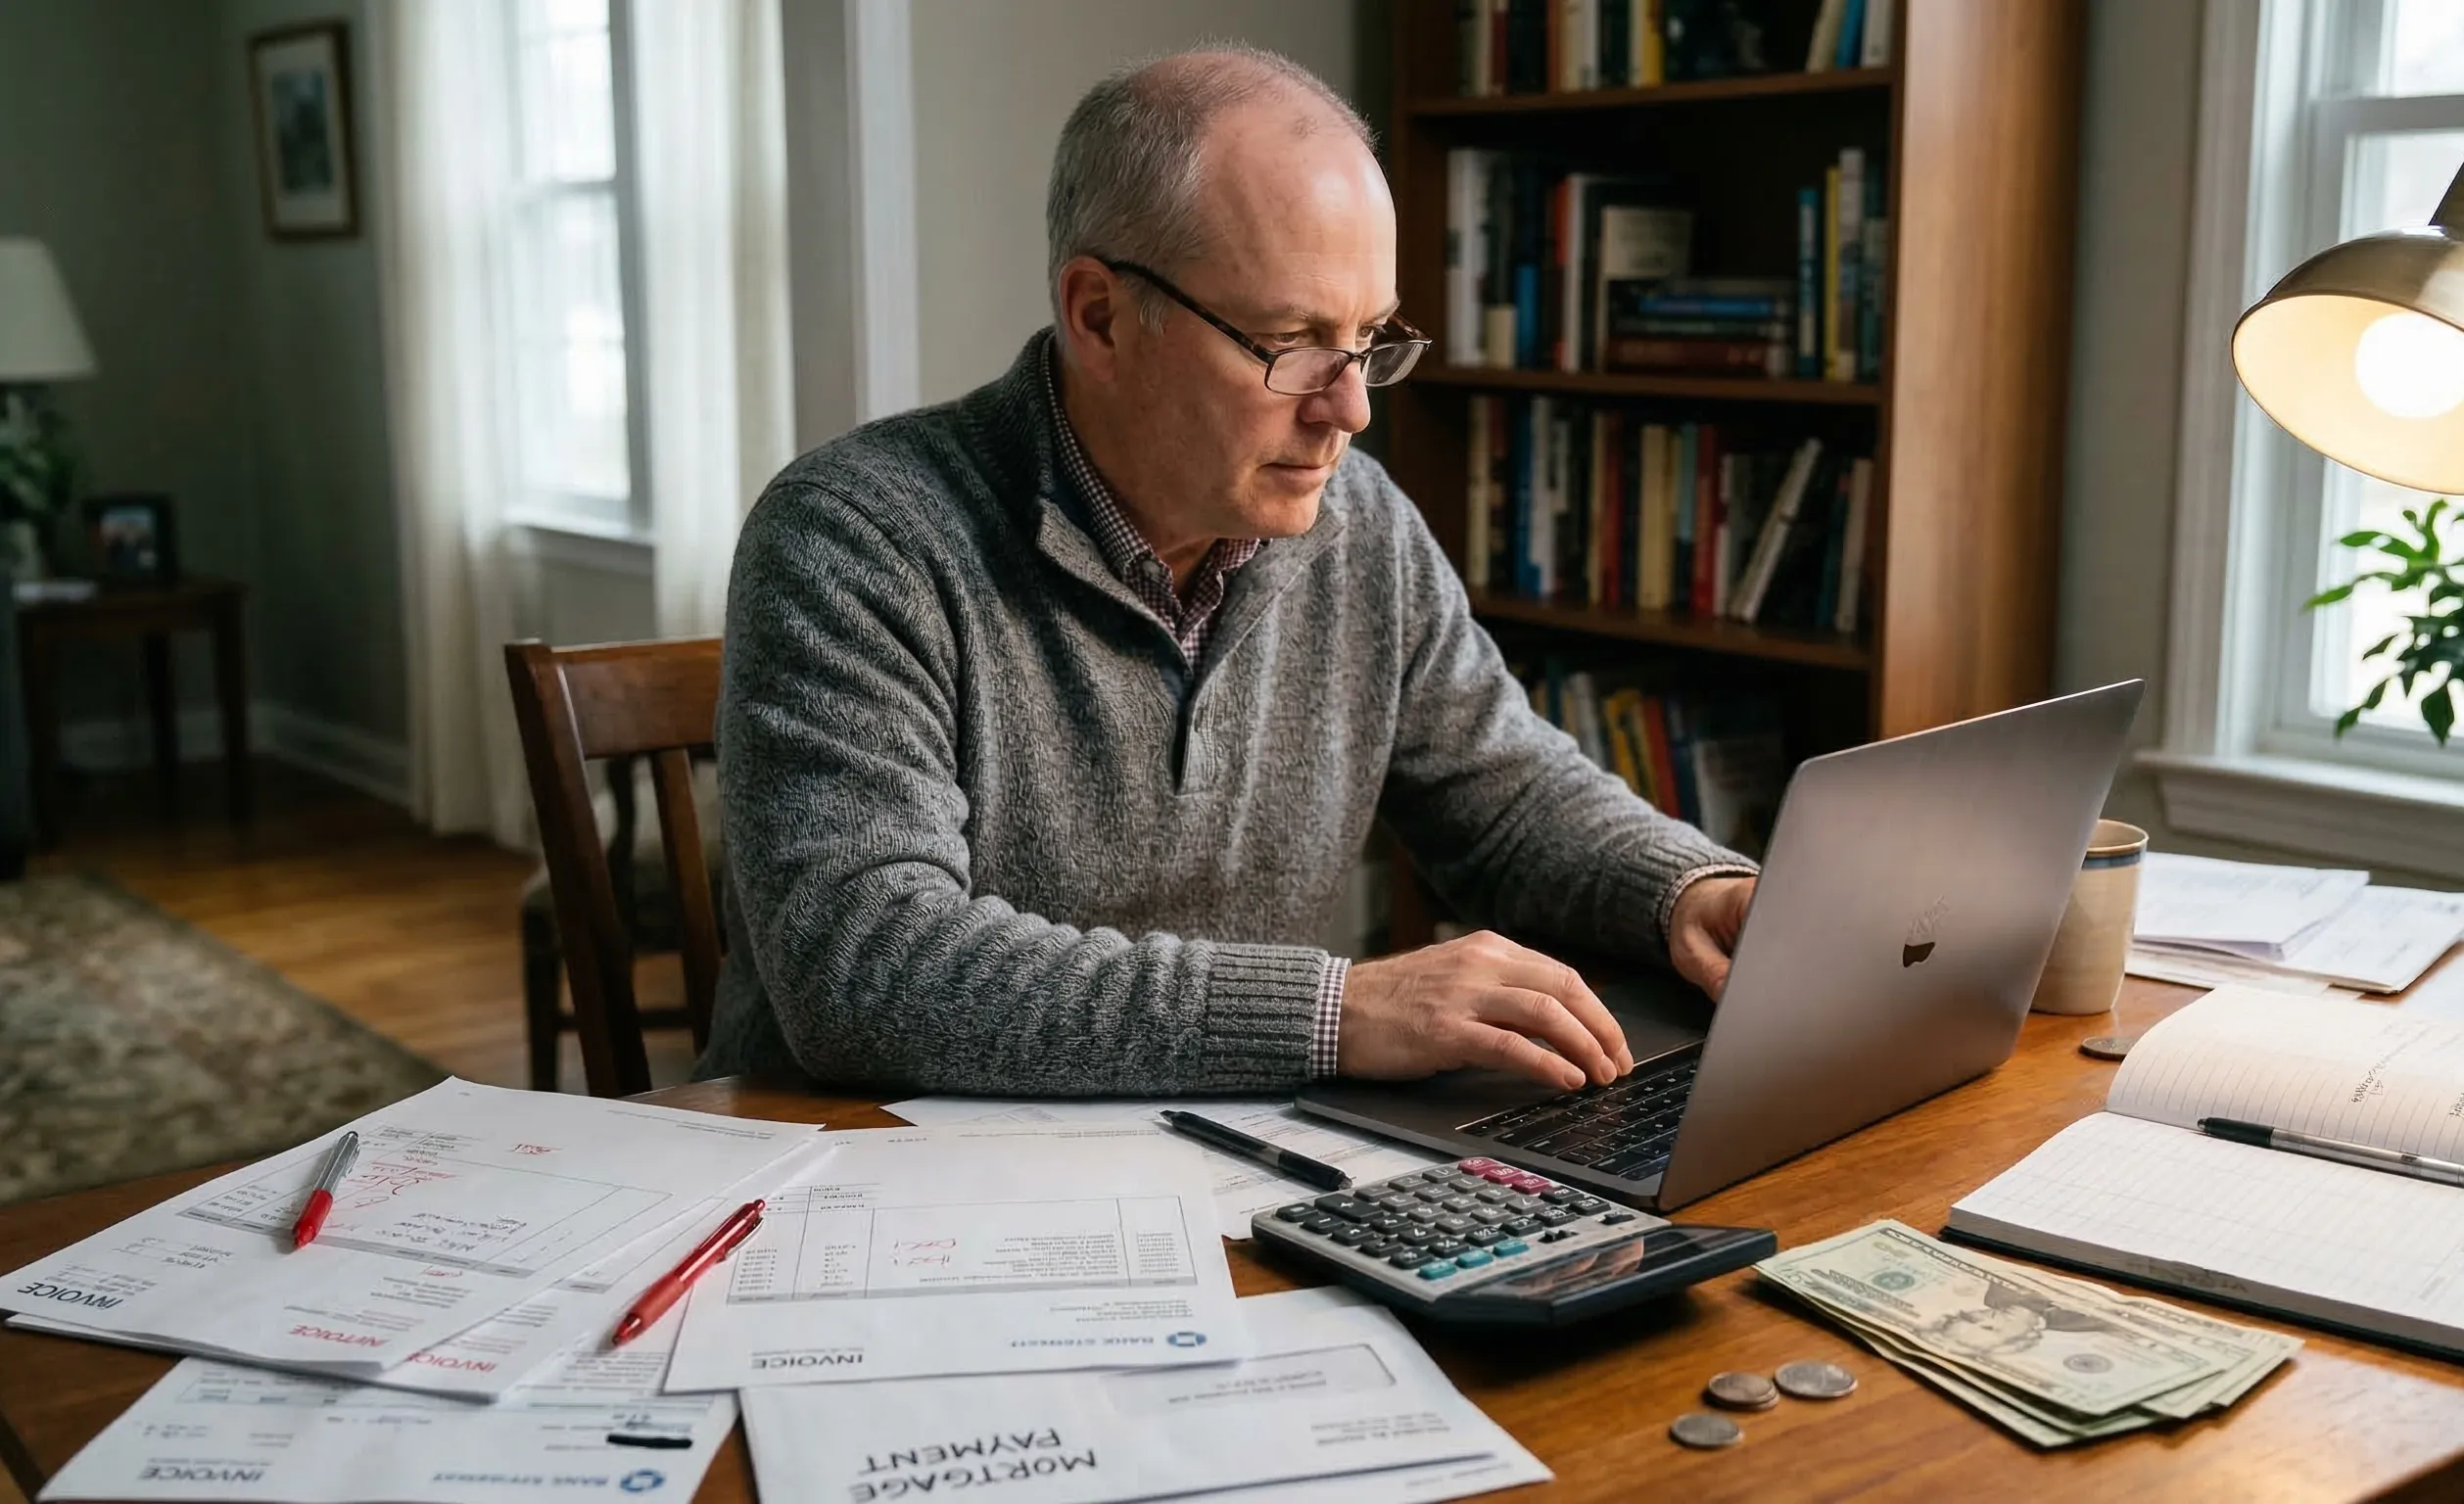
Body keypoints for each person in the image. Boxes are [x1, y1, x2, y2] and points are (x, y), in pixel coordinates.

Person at [696, 46, 1759, 1098]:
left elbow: (1509, 799)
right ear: (1099, 316)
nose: (1350, 409)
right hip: (865, 1191)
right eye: (1292, 344)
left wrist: (1685, 892)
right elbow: (869, 970)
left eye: (1369, 340)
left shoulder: (1360, 526)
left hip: (1227, 1163)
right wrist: (1335, 1011)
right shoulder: (855, 535)